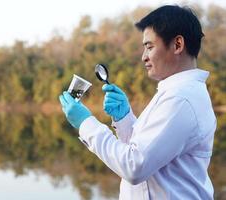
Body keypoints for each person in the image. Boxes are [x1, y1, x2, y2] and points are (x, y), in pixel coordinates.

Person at [59, 5, 217, 200]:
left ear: (177, 45)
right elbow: (147, 151)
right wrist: (124, 119)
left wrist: (85, 123)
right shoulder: (174, 92)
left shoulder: (180, 99)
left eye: (150, 47)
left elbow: (135, 166)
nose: (144, 57)